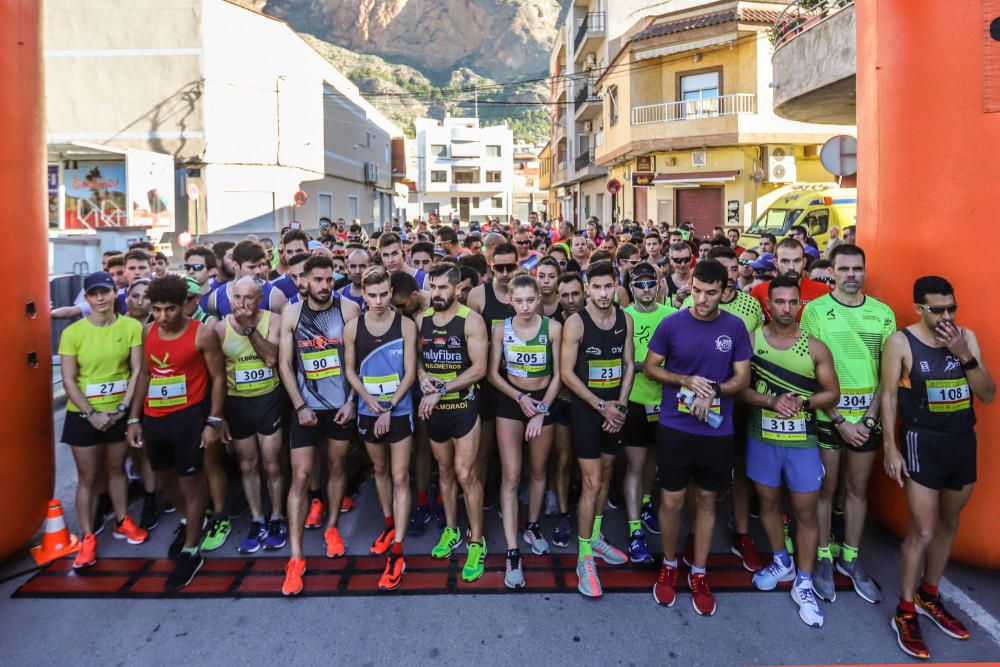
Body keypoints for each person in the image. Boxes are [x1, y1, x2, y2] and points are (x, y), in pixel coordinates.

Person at [881, 276, 996, 660]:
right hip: (921, 442)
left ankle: (930, 595)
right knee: (923, 529)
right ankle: (905, 609)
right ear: (919, 308)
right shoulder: (902, 341)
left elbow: (987, 394)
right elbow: (889, 397)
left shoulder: (966, 338)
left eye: (951, 308)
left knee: (948, 524)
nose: (947, 315)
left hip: (961, 442)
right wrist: (890, 447)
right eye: (938, 309)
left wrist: (964, 353)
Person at [643, 259, 751, 616]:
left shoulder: (734, 328)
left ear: (725, 291)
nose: (702, 299)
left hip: (717, 431)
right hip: (675, 427)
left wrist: (714, 391)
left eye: (711, 293)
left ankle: (700, 572)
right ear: (690, 285)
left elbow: (742, 380)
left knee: (706, 502)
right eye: (698, 291)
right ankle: (670, 564)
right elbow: (651, 367)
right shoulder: (671, 324)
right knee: (671, 502)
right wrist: (686, 381)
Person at [742, 276, 841, 627]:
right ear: (767, 305)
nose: (786, 308)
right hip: (762, 438)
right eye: (779, 302)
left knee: (806, 512)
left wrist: (804, 401)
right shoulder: (751, 342)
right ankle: (782, 560)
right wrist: (771, 400)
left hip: (802, 443)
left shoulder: (814, 347)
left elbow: (833, 393)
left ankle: (803, 580)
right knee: (768, 504)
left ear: (800, 303)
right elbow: (739, 390)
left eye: (792, 302)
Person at [801, 244, 896, 604]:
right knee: (827, 489)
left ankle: (851, 558)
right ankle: (824, 555)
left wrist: (870, 418)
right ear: (834, 272)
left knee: (857, 489)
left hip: (866, 418)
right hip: (831, 417)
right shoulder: (816, 311)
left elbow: (888, 376)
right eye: (845, 269)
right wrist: (839, 420)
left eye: (858, 269)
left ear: (865, 271)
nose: (852, 275)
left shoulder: (883, 314)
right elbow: (811, 371)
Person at [126, 274, 227, 591]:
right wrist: (133, 419)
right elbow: (144, 374)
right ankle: (188, 522)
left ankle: (191, 549)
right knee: (164, 481)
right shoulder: (147, 331)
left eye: (170, 309)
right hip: (155, 418)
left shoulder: (203, 334)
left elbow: (220, 379)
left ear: (183, 305)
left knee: (191, 484)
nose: (163, 317)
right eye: (156, 309)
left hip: (188, 418)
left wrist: (213, 421)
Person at [278, 255, 361, 596]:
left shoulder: (348, 310)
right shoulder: (292, 314)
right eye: (317, 280)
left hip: (340, 405)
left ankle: (331, 527)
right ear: (305, 282)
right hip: (307, 408)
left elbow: (357, 363)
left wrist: (353, 402)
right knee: (300, 476)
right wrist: (299, 405)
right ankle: (296, 557)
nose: (325, 286)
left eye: (329, 280)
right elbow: (285, 364)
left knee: (336, 465)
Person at [681, 247, 765, 572]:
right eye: (723, 269)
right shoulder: (690, 304)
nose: (730, 274)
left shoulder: (751, 305)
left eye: (733, 267)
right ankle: (693, 533)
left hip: (737, 399)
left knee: (740, 472)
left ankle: (742, 534)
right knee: (695, 475)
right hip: (697, 402)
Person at [61, 272, 148, 569]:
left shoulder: (132, 326)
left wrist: (124, 408)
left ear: (115, 294)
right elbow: (69, 381)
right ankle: (86, 537)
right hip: (83, 416)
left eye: (105, 292)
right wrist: (91, 414)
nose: (100, 298)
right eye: (93, 293)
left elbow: (137, 371)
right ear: (86, 298)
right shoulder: (73, 333)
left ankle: (123, 521)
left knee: (117, 470)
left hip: (117, 413)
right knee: (88, 479)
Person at [560, 260, 634, 598]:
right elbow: (566, 374)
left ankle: (597, 536)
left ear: (616, 285)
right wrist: (600, 405)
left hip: (614, 411)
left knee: (604, 476)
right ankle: (584, 556)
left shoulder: (625, 319)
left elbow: (628, 364)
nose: (604, 294)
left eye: (609, 286)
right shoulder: (576, 323)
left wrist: (619, 404)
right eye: (598, 287)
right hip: (588, 410)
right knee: (590, 482)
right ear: (589, 287)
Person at [344, 266, 418, 590]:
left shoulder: (406, 325)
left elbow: (411, 373)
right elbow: (349, 370)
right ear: (363, 294)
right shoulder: (352, 327)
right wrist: (366, 400)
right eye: (372, 295)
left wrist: (389, 406)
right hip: (367, 409)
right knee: (379, 469)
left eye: (384, 294)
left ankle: (398, 550)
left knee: (401, 476)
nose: (378, 300)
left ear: (391, 292)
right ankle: (388, 524)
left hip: (398, 410)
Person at [415, 264, 489, 581]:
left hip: (462, 407)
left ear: (457, 289)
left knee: (465, 473)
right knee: (443, 472)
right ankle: (451, 530)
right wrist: (421, 377)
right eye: (433, 287)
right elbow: (417, 359)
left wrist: (442, 389)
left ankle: (477, 540)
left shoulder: (470, 321)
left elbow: (479, 369)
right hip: (436, 411)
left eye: (444, 288)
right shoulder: (423, 320)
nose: (437, 293)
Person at [488, 275, 562, 588]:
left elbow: (560, 375)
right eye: (518, 301)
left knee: (538, 470)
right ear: (510, 301)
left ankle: (531, 526)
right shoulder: (500, 329)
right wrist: (519, 398)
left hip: (543, 403)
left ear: (539, 299)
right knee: (511, 475)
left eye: (530, 300)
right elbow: (492, 373)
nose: (525, 306)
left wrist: (541, 409)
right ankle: (512, 549)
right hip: (511, 403)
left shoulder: (553, 328)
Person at [214, 277, 286, 555]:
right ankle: (257, 519)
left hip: (268, 399)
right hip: (238, 403)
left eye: (248, 299)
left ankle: (277, 516)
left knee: (271, 464)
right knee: (246, 464)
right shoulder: (220, 329)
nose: (242, 304)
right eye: (237, 298)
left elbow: (271, 359)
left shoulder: (273, 321)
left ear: (259, 300)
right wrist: (219, 417)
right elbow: (217, 376)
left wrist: (249, 330)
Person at [622, 262, 676, 565]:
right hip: (635, 400)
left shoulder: (672, 316)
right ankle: (634, 531)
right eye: (639, 284)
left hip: (667, 401)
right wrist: (643, 368)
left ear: (659, 285)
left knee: (655, 459)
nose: (645, 289)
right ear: (631, 286)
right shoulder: (624, 317)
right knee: (635, 463)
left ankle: (645, 504)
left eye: (650, 283)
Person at [751, 239, 831, 322]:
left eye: (797, 261)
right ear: (775, 263)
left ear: (804, 262)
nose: (791, 267)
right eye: (785, 261)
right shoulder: (758, 291)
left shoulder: (823, 291)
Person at [207, 240, 286, 317]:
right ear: (236, 265)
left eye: (260, 265)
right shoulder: (215, 297)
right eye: (252, 267)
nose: (258, 271)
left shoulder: (274, 295)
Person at [663, 242, 693, 308]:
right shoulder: (664, 284)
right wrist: (676, 300)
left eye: (686, 260)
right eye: (678, 260)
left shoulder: (699, 281)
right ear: (670, 261)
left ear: (691, 259)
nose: (683, 264)